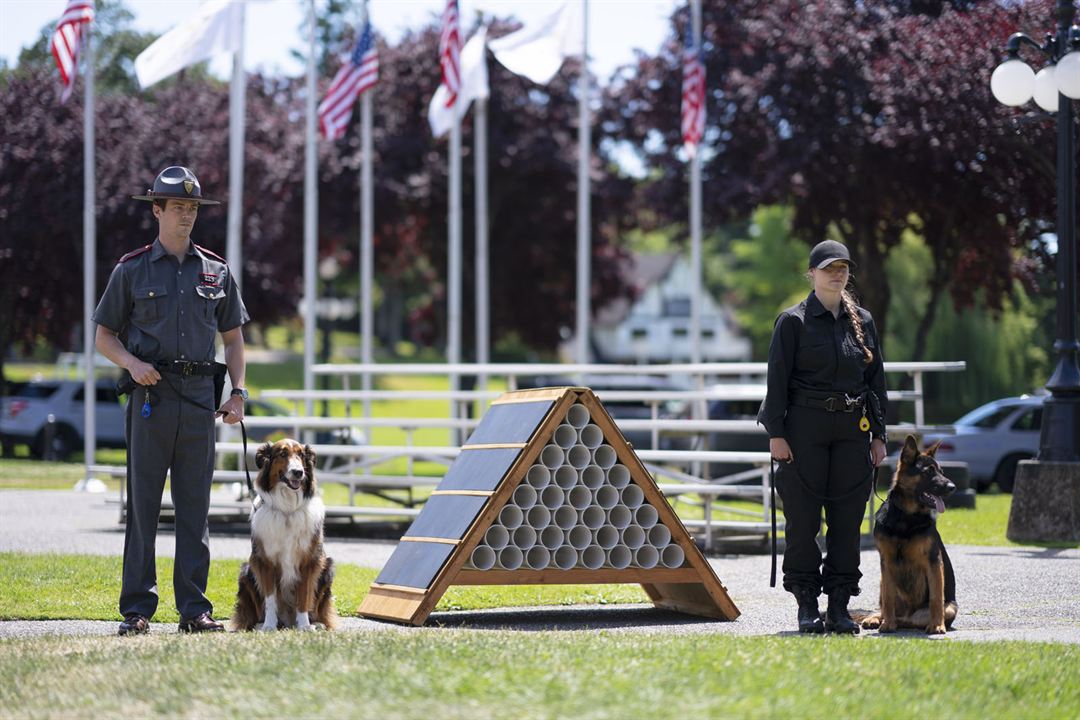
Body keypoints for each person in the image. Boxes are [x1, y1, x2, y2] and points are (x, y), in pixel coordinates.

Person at [94, 166, 250, 636]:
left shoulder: (215, 270)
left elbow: (235, 340)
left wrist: (237, 393)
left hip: (201, 402)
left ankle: (194, 610)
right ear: (156, 210)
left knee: (194, 509)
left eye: (193, 208)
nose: (186, 215)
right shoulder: (131, 269)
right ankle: (137, 610)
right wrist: (131, 364)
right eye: (178, 207)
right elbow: (104, 336)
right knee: (143, 508)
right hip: (150, 400)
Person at [756, 240, 887, 634]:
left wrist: (879, 435)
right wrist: (776, 433)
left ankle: (840, 607)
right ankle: (807, 605)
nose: (837, 273)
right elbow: (776, 380)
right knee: (802, 521)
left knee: (847, 523)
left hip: (852, 430)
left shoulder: (862, 320)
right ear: (811, 273)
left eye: (843, 267)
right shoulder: (792, 321)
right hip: (802, 430)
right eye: (829, 267)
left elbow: (876, 381)